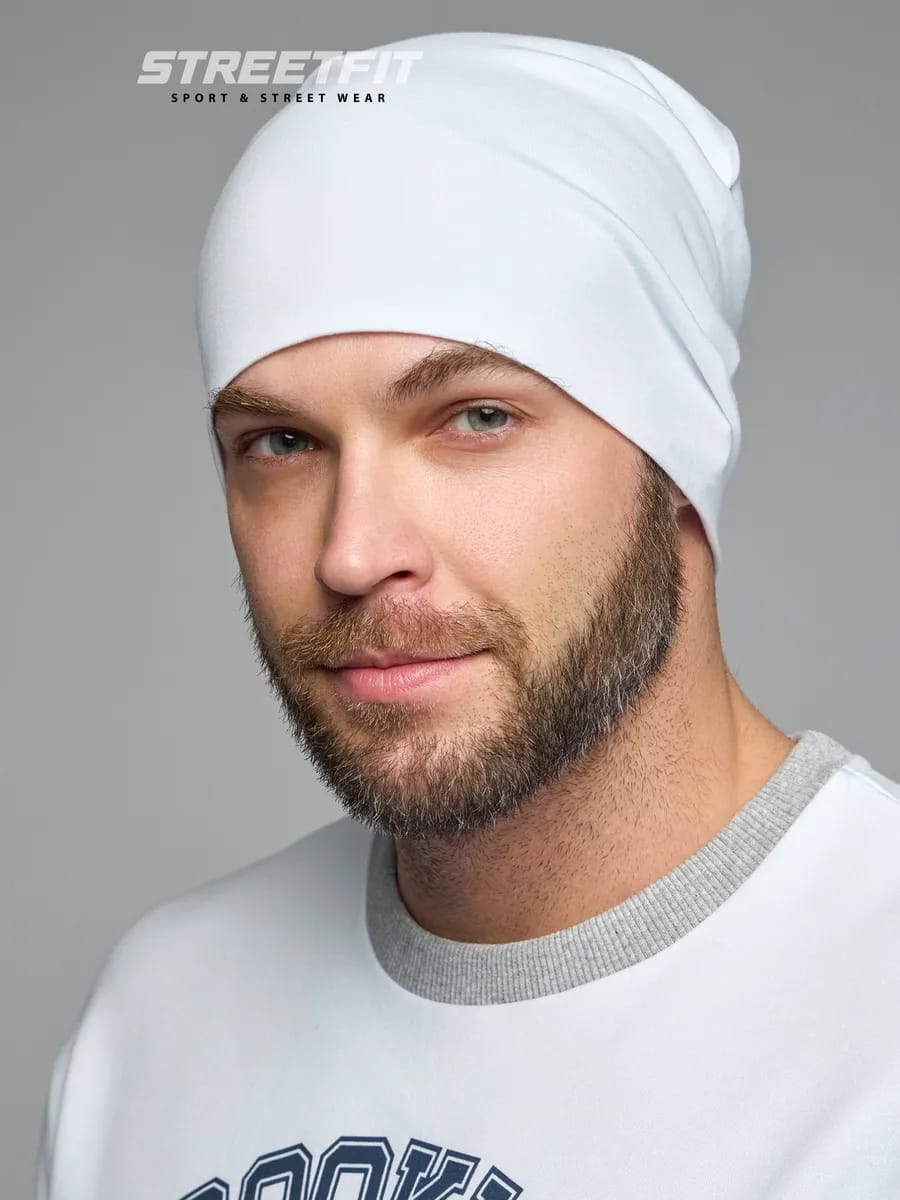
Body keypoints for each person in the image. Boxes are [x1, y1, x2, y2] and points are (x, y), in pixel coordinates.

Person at [36, 30, 900, 1199]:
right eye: (281, 443)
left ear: (679, 460)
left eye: (476, 419)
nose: (352, 553)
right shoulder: (158, 1022)